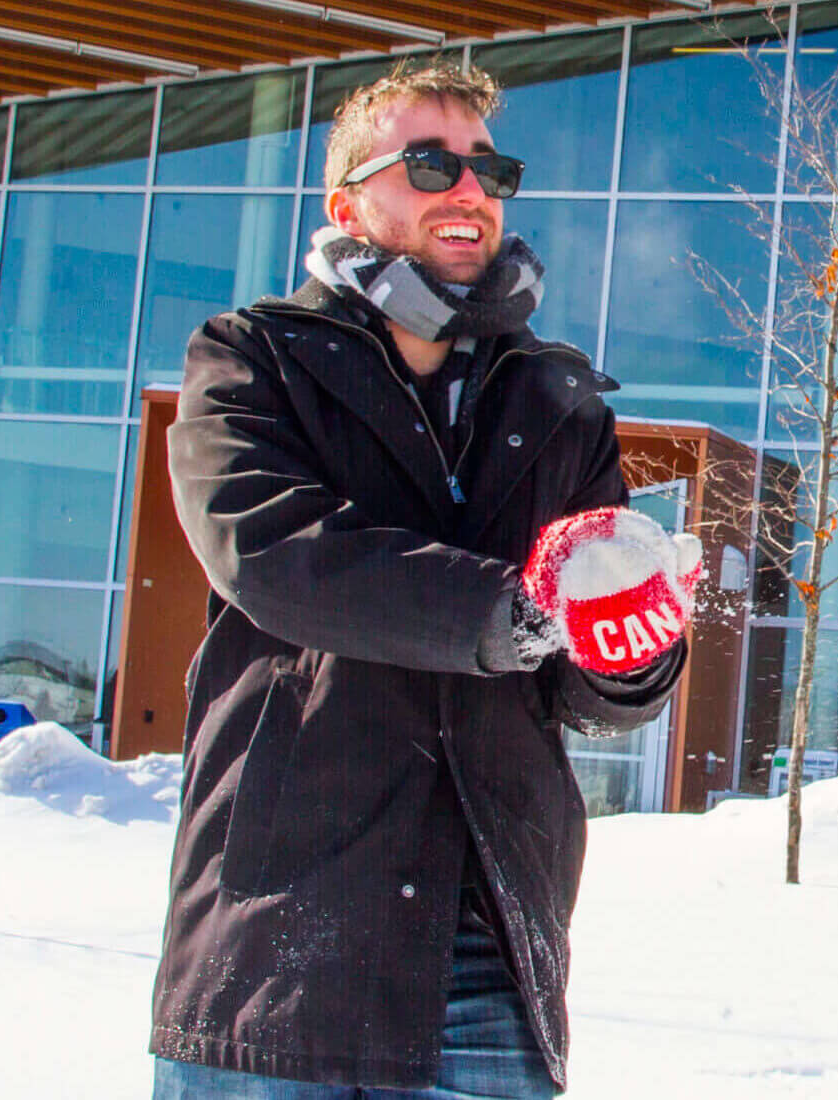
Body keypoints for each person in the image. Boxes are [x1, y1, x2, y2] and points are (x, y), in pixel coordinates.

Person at [153, 62, 695, 1100]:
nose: (470, 189)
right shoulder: (253, 359)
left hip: (490, 943)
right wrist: (517, 608)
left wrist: (630, 650)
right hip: (279, 936)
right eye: (432, 162)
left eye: (489, 167)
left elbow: (584, 681)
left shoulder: (559, 400)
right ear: (346, 201)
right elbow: (278, 554)